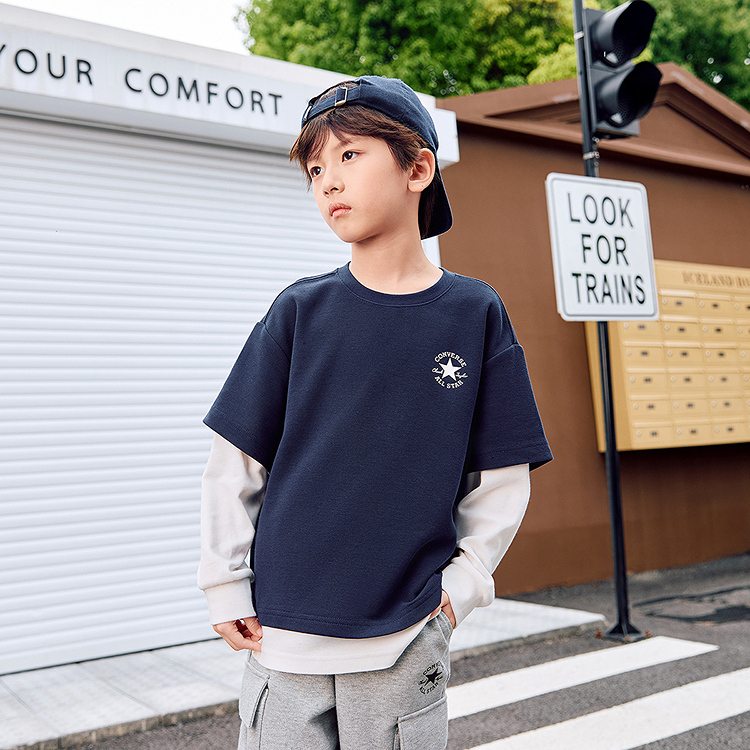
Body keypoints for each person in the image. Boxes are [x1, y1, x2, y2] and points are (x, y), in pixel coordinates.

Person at [198, 75, 552, 750]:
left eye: (350, 155)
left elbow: (502, 477)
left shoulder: (474, 313)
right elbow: (235, 464)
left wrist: (462, 586)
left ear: (418, 168)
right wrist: (224, 584)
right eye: (315, 169)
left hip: (406, 634)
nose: (328, 181)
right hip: (283, 634)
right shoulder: (299, 312)